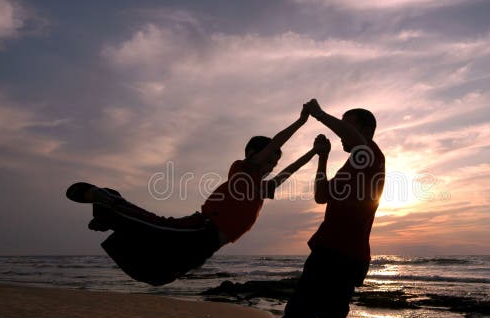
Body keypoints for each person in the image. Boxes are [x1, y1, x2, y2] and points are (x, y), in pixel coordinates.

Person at [248, 99, 386, 318]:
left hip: (335, 257)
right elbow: (322, 196)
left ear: (365, 131)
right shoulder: (351, 165)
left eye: (347, 126)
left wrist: (320, 114)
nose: (341, 134)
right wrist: (322, 159)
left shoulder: (370, 156)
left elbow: (348, 136)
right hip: (338, 256)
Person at [66, 107, 320, 286]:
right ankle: (105, 199)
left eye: (274, 163)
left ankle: (108, 216)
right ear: (254, 153)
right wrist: (301, 122)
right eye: (270, 158)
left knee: (158, 275)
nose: (272, 165)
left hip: (208, 245)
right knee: (152, 226)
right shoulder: (241, 170)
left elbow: (287, 173)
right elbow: (275, 144)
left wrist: (314, 153)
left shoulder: (258, 188)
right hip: (202, 228)